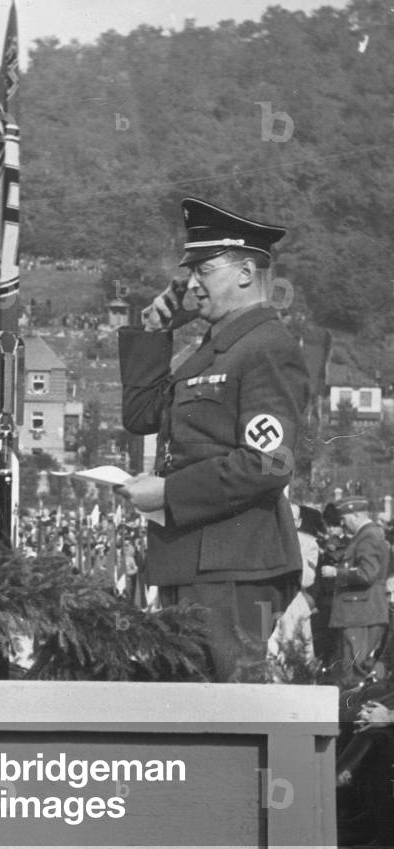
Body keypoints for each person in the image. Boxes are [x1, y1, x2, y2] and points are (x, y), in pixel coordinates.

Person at [116, 196, 310, 680]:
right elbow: (141, 415)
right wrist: (154, 331)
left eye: (204, 270)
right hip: (194, 561)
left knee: (229, 713)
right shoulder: (215, 350)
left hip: (234, 567)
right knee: (193, 711)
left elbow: (270, 463)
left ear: (245, 272)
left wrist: (169, 492)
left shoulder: (266, 347)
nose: (191, 284)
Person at [321, 496, 390, 685]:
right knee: (354, 671)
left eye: (344, 519)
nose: (342, 524)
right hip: (361, 613)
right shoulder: (369, 535)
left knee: (354, 673)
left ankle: (354, 713)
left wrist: (336, 573)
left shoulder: (367, 536)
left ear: (357, 514)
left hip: (360, 615)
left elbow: (367, 574)